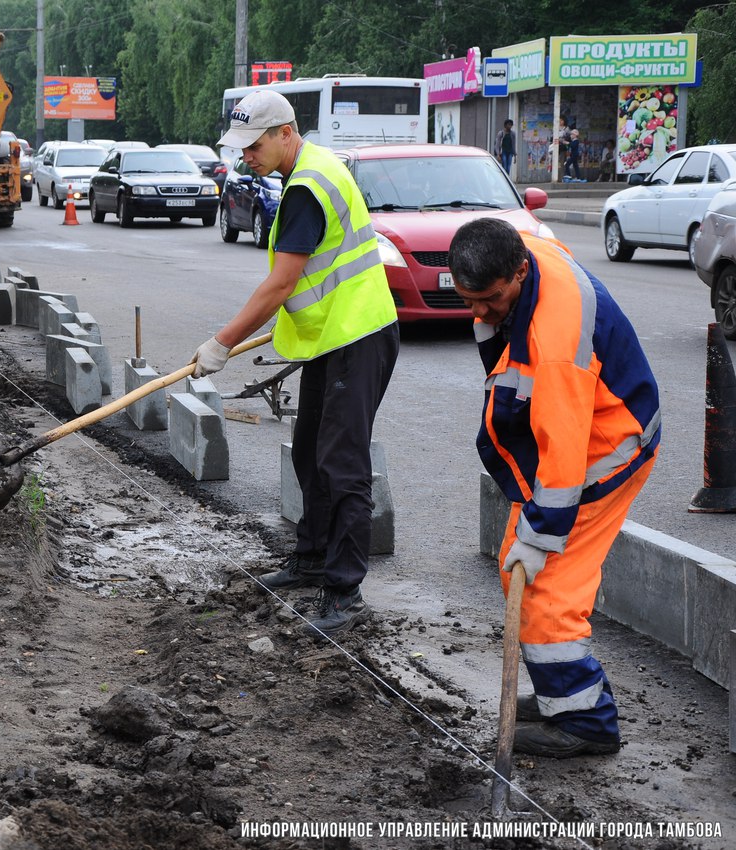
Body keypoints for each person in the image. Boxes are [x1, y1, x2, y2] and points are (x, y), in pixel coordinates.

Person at [447, 218, 660, 759]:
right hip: (582, 433)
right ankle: (564, 694)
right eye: (467, 299)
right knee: (515, 568)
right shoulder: (528, 253)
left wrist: (542, 534)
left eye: (489, 300)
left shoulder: (557, 343)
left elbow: (564, 461)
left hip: (606, 450)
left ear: (519, 272)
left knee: (545, 593)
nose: (478, 312)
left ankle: (586, 724)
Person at [191, 89, 400, 640]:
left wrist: (220, 342)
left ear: (286, 131)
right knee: (310, 449)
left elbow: (282, 283)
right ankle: (311, 558)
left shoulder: (306, 187)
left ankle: (345, 589)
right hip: (334, 337)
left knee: (342, 463)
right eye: (239, 147)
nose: (245, 158)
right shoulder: (310, 166)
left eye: (253, 145)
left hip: (359, 334)